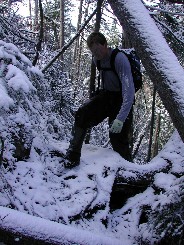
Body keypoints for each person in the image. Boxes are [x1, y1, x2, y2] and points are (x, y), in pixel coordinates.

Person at [65, 32, 135, 168]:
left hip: (122, 99)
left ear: (105, 45)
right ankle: (72, 156)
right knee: (82, 114)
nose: (95, 53)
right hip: (107, 95)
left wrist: (120, 119)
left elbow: (129, 93)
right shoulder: (96, 59)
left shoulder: (119, 59)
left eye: (97, 49)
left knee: (117, 137)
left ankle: (130, 171)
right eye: (92, 51)